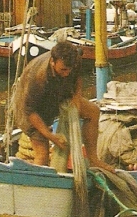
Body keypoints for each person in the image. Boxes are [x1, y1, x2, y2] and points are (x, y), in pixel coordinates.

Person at [13, 41, 113, 171]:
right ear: (52, 62)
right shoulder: (38, 77)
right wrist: (52, 137)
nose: (67, 73)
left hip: (58, 93)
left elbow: (77, 77)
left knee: (93, 111)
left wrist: (76, 98)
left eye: (69, 70)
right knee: (42, 155)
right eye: (63, 70)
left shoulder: (74, 59)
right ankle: (38, 184)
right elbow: (30, 111)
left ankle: (93, 159)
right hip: (30, 109)